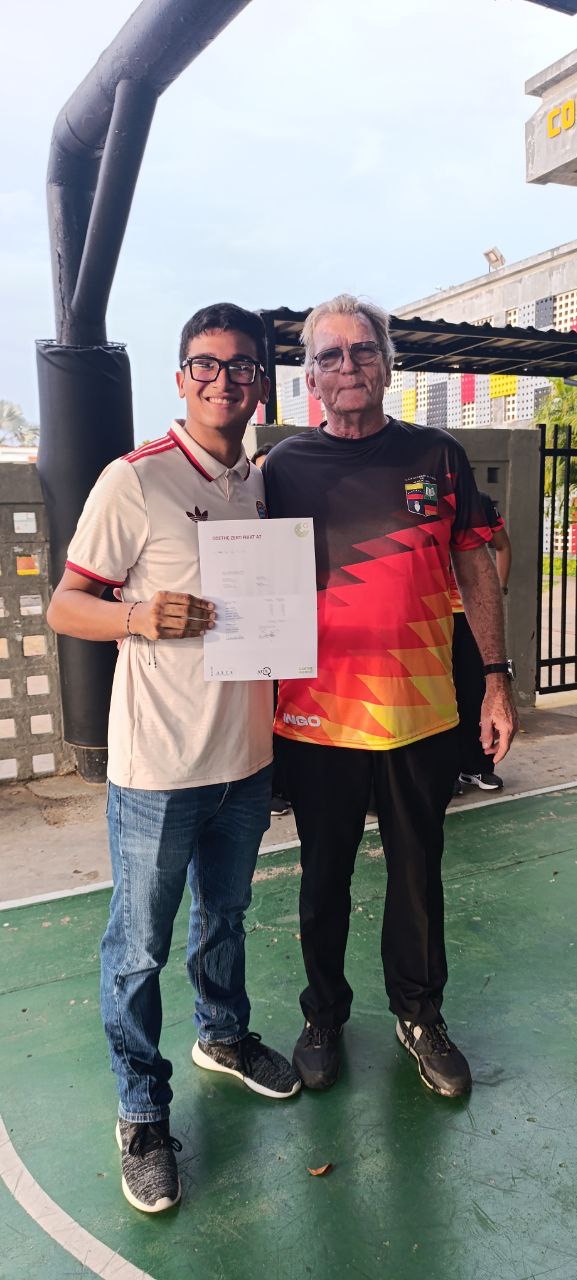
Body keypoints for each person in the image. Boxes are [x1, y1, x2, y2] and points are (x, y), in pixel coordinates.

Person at [47, 303, 300, 1216]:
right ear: (181, 377)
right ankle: (141, 1112)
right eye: (206, 365)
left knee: (225, 917)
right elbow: (65, 604)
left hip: (245, 758)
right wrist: (136, 617)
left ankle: (222, 1035)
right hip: (157, 765)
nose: (224, 381)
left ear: (261, 381)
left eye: (242, 367)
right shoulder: (135, 478)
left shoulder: (261, 482)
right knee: (139, 947)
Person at [263, 294, 518, 1099]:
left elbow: (476, 562)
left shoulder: (437, 455)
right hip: (315, 719)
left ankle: (419, 1016)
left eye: (362, 350)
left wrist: (496, 681)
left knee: (417, 875)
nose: (348, 366)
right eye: (330, 355)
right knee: (322, 880)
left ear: (386, 363)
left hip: (420, 713)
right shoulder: (281, 469)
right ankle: (323, 1016)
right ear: (310, 375)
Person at [451, 493, 512, 792]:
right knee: (439, 697)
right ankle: (445, 771)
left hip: (470, 616)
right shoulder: (419, 496)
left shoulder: (478, 502)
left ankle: (476, 767)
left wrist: (499, 589)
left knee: (474, 691)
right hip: (430, 616)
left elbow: (502, 546)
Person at [251, 441, 293, 818]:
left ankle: (285, 783)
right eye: (262, 471)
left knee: (283, 702)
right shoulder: (242, 512)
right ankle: (273, 789)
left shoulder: (295, 519)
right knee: (264, 707)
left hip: (292, 625)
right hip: (251, 630)